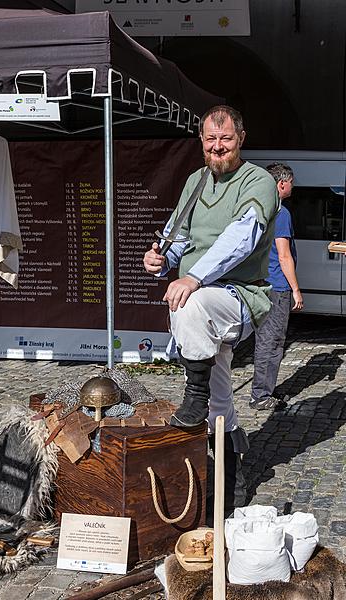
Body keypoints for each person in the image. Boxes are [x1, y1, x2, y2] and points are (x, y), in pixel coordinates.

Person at [143, 105, 279, 511]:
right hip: (202, 306)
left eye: (226, 140)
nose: (218, 148)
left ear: (240, 139)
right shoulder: (196, 181)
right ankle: (228, 483)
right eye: (210, 140)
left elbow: (240, 237)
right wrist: (163, 259)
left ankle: (193, 393)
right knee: (221, 400)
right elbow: (179, 233)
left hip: (239, 296)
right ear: (201, 141)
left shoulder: (260, 181)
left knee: (190, 302)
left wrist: (192, 277)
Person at [250, 162, 303, 410]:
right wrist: (295, 289)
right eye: (291, 182)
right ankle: (261, 395)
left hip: (261, 283)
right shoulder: (281, 213)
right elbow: (284, 255)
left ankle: (262, 390)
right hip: (276, 286)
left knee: (265, 339)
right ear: (282, 183)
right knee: (272, 341)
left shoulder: (259, 207)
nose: (293, 186)